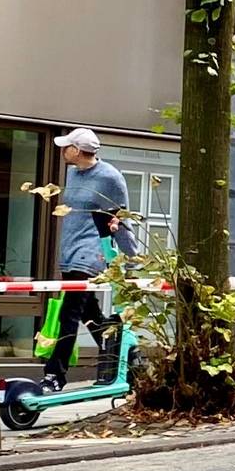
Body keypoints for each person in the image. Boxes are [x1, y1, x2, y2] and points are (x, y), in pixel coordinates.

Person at [42, 128, 140, 390]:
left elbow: (121, 218)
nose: (63, 151)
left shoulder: (110, 177)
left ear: (76, 150)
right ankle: (124, 360)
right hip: (69, 249)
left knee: (69, 312)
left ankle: (55, 374)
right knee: (89, 313)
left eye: (66, 147)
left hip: (91, 251)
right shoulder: (71, 174)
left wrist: (132, 257)